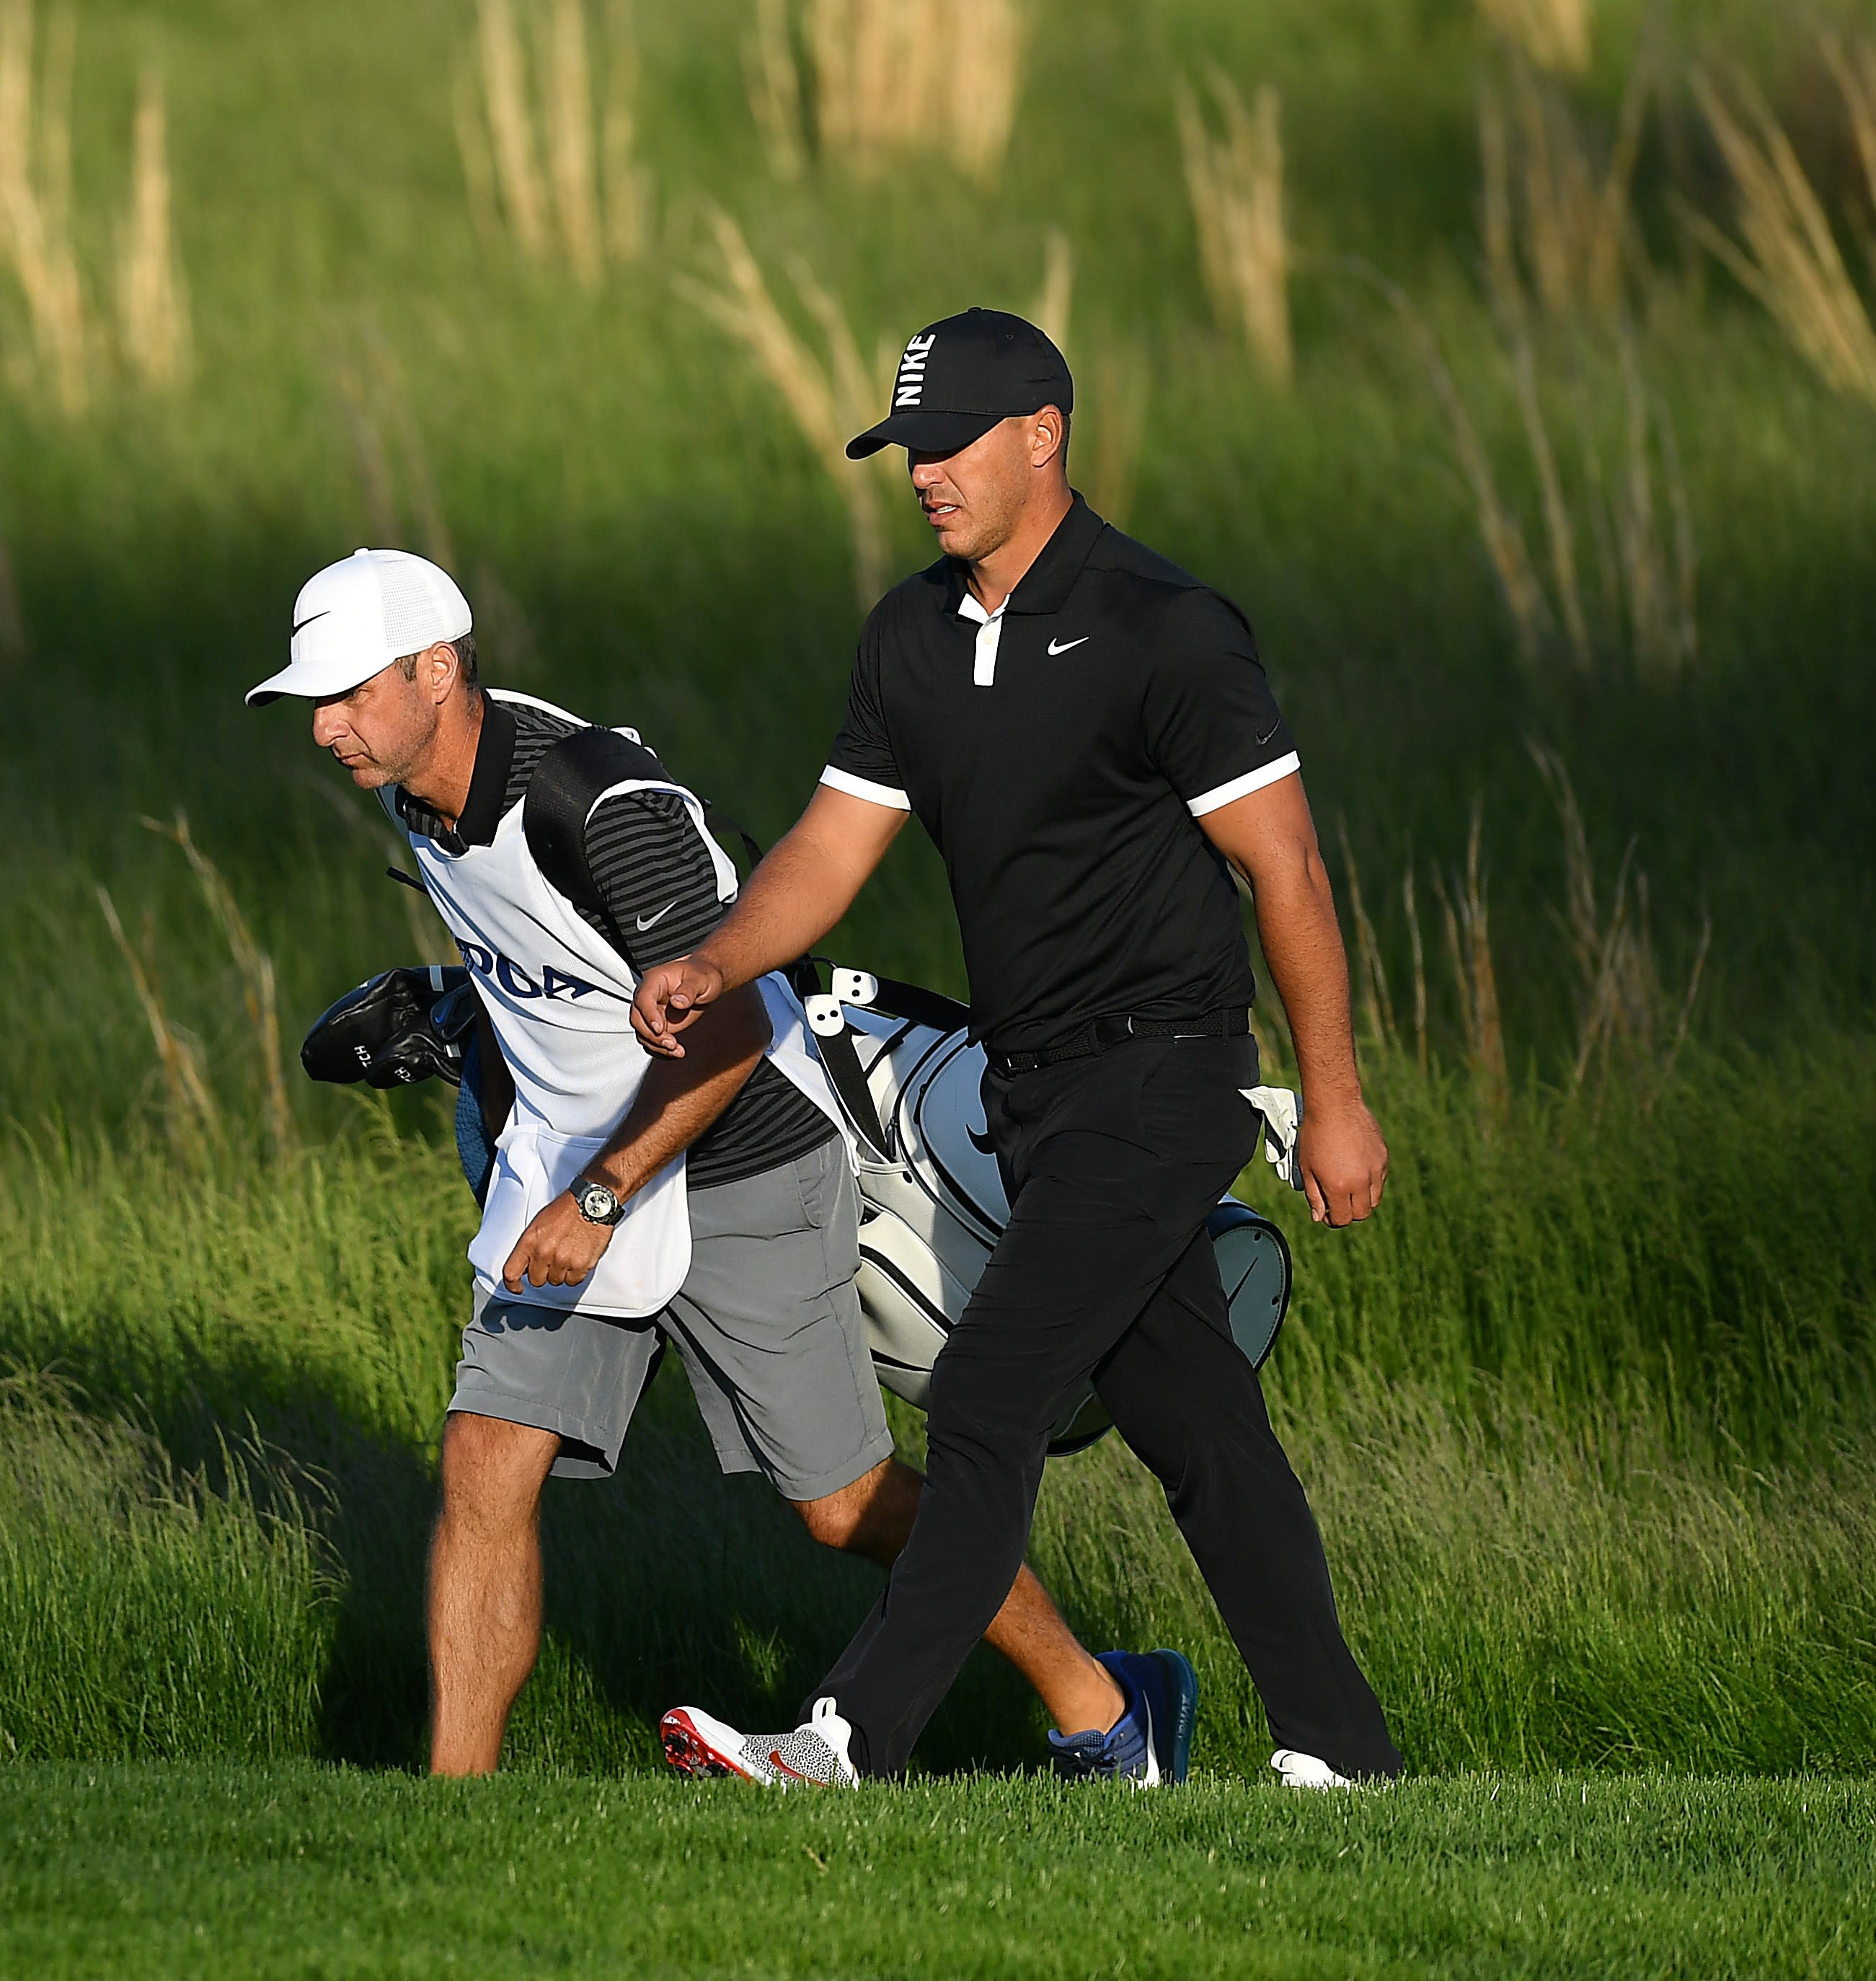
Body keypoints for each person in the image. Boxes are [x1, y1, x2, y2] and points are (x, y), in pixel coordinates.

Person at [249, 546, 1190, 1782]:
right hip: (581, 1167)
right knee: (485, 1458)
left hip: (739, 1151)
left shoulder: (595, 802)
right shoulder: (409, 796)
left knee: (842, 1504)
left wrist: (599, 1196)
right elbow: (545, 982)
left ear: (439, 672)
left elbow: (738, 1023)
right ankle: (450, 1809)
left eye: (349, 694)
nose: (326, 728)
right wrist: (474, 1040)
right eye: (314, 701)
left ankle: (1107, 1707)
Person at [636, 309, 1405, 1790]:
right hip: (1026, 1088)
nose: (922, 473)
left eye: (949, 444)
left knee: (988, 1395)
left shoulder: (1163, 625)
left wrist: (1338, 1100)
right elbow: (827, 847)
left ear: (1043, 432)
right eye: (905, 449)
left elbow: (1287, 871)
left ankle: (845, 1738)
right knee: (1200, 1429)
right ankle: (1341, 1749)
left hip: (1164, 1074)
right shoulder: (908, 637)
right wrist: (721, 956)